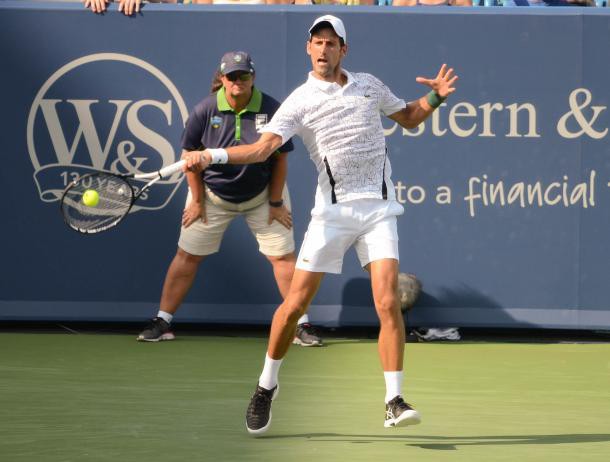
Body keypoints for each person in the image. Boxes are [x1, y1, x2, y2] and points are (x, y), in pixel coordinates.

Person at [183, 15, 457, 434]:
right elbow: (261, 150)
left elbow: (409, 117)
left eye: (331, 43)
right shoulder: (300, 100)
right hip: (332, 215)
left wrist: (434, 99)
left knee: (386, 302)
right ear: (309, 49)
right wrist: (213, 156)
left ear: (343, 50)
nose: (324, 49)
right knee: (294, 307)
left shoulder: (369, 84)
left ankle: (393, 400)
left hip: (379, 210)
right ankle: (265, 386)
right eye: (317, 42)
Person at [137, 51, 322, 347]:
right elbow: (189, 160)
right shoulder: (204, 110)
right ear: (222, 79)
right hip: (211, 196)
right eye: (232, 76)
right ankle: (163, 320)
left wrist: (275, 202)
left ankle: (301, 325)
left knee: (283, 259)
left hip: (262, 196)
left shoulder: (273, 108)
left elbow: (280, 160)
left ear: (253, 77)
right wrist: (197, 200)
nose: (238, 81)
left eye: (243, 76)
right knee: (187, 256)